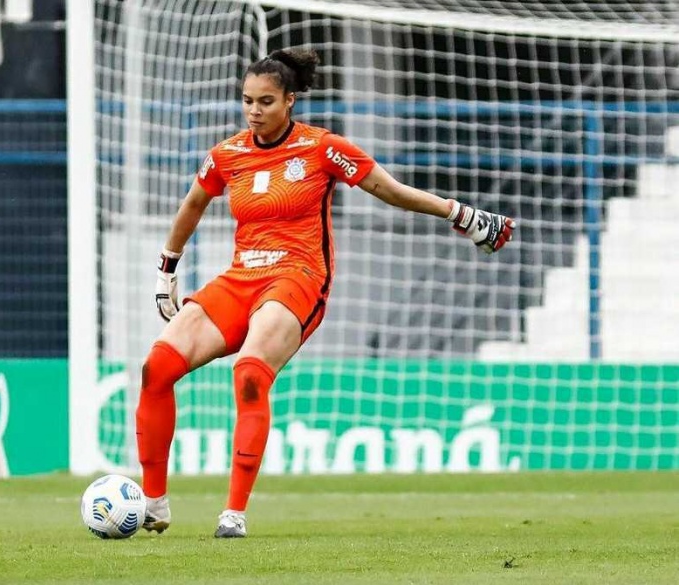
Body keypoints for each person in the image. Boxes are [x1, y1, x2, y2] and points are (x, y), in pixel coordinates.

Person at [135, 48, 515, 538]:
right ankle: (153, 502)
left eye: (266, 101)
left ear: (290, 101)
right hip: (239, 277)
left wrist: (460, 215)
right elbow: (192, 205)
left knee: (250, 373)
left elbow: (390, 190)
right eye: (247, 100)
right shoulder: (227, 155)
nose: (254, 110)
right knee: (156, 366)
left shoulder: (321, 148)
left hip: (297, 276)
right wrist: (167, 268)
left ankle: (233, 514)